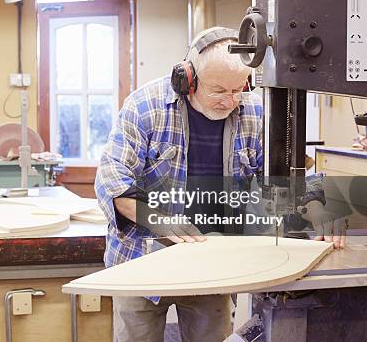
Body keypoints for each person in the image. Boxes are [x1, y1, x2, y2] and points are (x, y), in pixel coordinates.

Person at [95, 27, 344, 342]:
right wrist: (157, 219)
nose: (231, 101)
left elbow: (283, 178)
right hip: (140, 258)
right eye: (219, 90)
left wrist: (319, 205)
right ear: (188, 79)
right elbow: (112, 178)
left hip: (212, 257)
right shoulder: (145, 107)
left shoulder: (252, 111)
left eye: (239, 89)